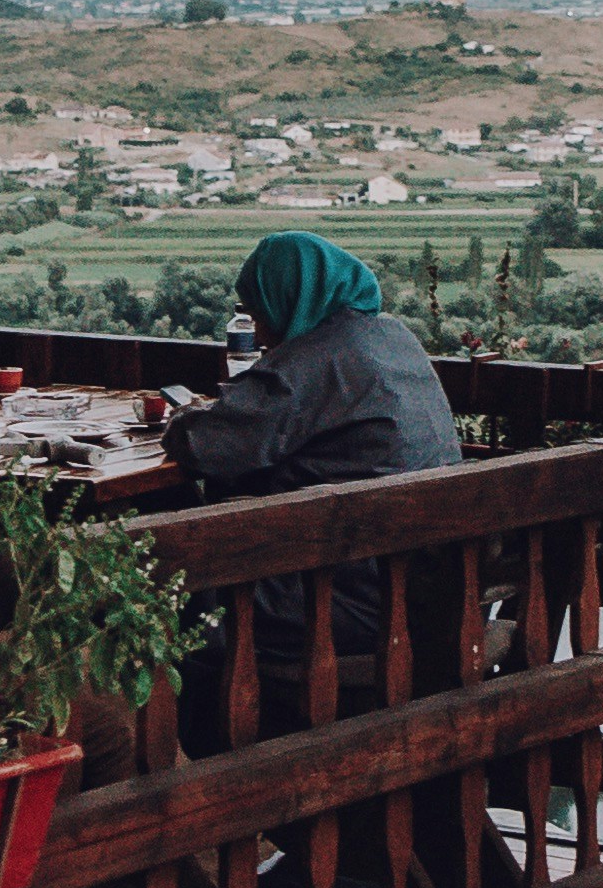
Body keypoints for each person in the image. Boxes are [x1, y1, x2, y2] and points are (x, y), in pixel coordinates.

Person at [152, 231, 459, 707]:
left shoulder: (315, 358)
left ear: (289, 298)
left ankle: (194, 736)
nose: (257, 327)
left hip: (339, 599)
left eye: (258, 310)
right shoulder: (393, 337)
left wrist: (181, 419)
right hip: (422, 587)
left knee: (169, 584)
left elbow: (204, 445)